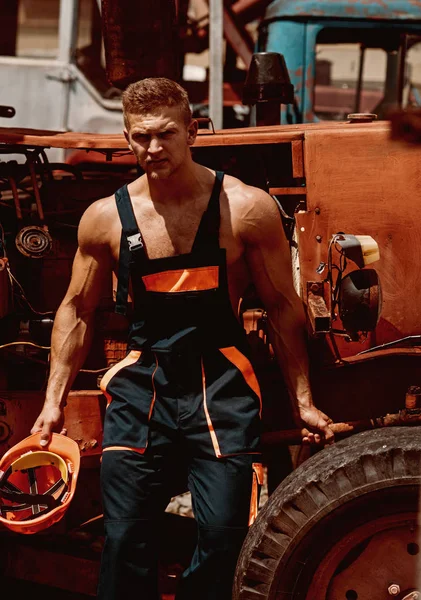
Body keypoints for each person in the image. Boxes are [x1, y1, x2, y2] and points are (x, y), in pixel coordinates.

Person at [31, 77, 334, 600]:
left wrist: (303, 402)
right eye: (139, 137)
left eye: (166, 134)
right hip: (141, 382)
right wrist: (51, 403)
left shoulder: (244, 208)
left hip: (221, 382)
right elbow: (78, 308)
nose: (153, 148)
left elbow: (284, 308)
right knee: (124, 537)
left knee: (224, 538)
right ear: (126, 138)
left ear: (192, 131)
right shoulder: (104, 218)